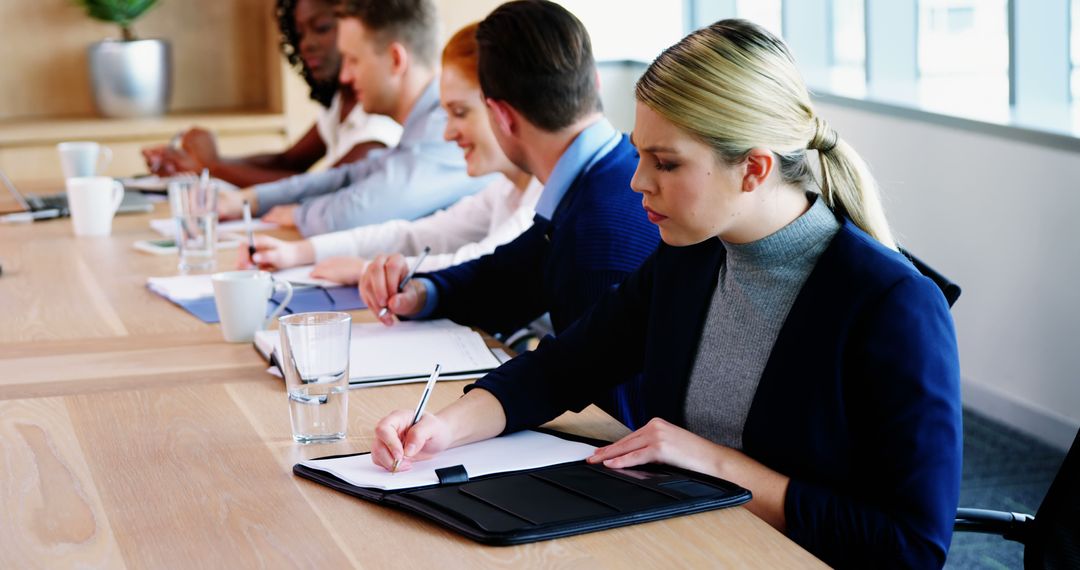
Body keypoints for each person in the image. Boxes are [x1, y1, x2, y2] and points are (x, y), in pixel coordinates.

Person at [370, 18, 963, 569]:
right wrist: (442, 429)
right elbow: (563, 367)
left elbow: (909, 545)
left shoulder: (891, 305)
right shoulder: (693, 255)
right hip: (686, 539)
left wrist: (713, 463)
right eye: (638, 153)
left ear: (754, 169)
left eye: (666, 163)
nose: (637, 182)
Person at [358, 0, 659, 419]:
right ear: (594, 82)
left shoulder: (595, 234)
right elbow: (509, 277)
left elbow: (611, 418)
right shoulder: (604, 176)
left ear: (501, 115)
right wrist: (423, 293)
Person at [240, 23, 542, 284]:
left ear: (505, 109)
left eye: (460, 113)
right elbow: (416, 235)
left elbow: (481, 262)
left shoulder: (538, 198)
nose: (447, 132)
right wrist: (299, 252)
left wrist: (369, 270)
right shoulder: (504, 189)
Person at [217, 0, 492, 236]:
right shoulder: (421, 126)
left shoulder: (443, 127)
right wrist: (253, 199)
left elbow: (360, 212)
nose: (345, 76)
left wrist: (302, 214)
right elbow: (349, 176)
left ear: (396, 60)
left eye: (353, 60)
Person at [141, 0, 402, 187]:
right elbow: (288, 161)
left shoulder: (377, 114)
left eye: (321, 28)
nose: (306, 44)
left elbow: (319, 187)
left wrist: (214, 167)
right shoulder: (340, 101)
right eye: (299, 33)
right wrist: (202, 163)